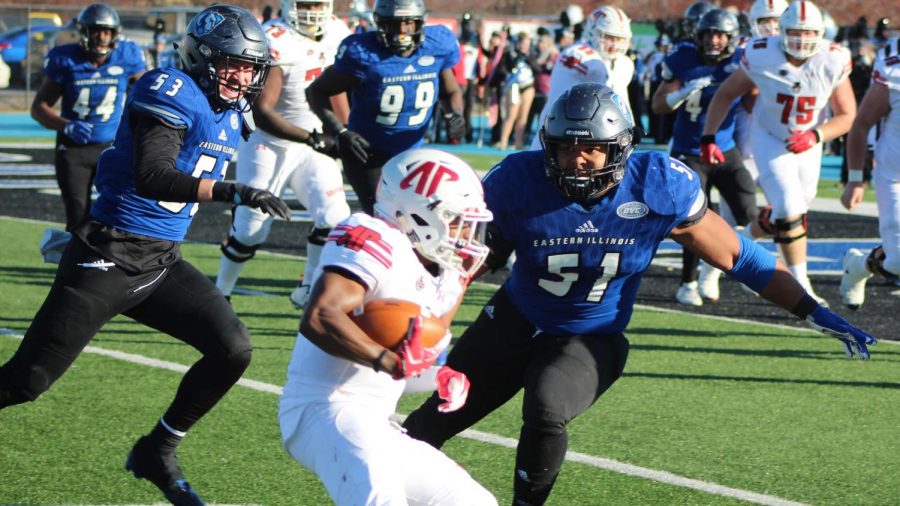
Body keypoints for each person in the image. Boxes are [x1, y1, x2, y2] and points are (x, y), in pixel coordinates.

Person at [401, 83, 876, 506]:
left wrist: (811, 309)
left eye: (592, 149)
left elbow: (741, 258)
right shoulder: (516, 183)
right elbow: (461, 264)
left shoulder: (657, 186)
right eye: (565, 148)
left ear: (621, 149)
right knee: (424, 430)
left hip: (591, 335)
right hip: (514, 319)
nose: (578, 160)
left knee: (546, 407)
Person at [0, 6, 290, 505]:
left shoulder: (230, 110)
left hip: (160, 262)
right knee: (26, 382)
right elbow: (152, 175)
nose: (243, 77)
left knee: (233, 350)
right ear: (202, 57)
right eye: (233, 64)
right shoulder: (169, 89)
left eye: (250, 68)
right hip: (108, 254)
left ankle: (157, 450)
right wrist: (232, 192)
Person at [279, 148, 496, 505]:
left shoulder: (450, 275)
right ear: (416, 213)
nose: (465, 233)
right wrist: (385, 359)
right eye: (455, 219)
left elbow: (408, 363)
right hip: (323, 406)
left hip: (375, 420)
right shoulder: (373, 235)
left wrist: (437, 375)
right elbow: (320, 316)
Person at [701, 0, 856, 304]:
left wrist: (815, 135)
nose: (800, 40)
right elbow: (726, 93)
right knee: (788, 206)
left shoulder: (832, 59)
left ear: (821, 33)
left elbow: (847, 115)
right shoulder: (761, 54)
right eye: (794, 33)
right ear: (780, 32)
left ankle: (743, 246)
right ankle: (800, 286)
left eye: (808, 33)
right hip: (769, 136)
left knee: (792, 211)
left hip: (809, 141)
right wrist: (709, 136)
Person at [214, 0, 352, 309]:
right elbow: (262, 111)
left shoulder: (338, 32)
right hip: (269, 143)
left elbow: (336, 89)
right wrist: (313, 138)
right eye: (306, 4)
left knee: (334, 216)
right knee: (250, 231)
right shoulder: (275, 37)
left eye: (318, 4)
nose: (313, 12)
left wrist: (344, 131)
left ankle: (308, 288)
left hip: (313, 143)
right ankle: (221, 292)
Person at [307, 0, 465, 215]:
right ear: (380, 24)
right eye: (394, 23)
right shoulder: (363, 52)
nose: (402, 31)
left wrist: (455, 113)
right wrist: (340, 132)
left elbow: (451, 91)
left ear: (420, 22)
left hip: (414, 151)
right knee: (385, 221)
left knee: (428, 220)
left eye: (408, 22)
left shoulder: (437, 44)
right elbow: (317, 91)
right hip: (368, 153)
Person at [651, 8, 758, 306]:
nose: (714, 40)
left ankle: (730, 267)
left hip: (725, 150)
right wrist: (680, 94)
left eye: (721, 34)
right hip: (689, 152)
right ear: (698, 36)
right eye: (709, 34)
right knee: (693, 220)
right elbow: (659, 104)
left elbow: (754, 100)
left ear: (732, 37)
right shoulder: (683, 58)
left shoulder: (741, 61)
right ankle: (687, 282)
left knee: (750, 212)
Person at [31, 3, 145, 234]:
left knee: (119, 211)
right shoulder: (66, 59)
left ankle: (111, 266)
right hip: (74, 149)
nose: (102, 37)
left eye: (107, 31)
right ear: (84, 32)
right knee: (78, 215)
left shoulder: (126, 56)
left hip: (111, 147)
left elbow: (146, 94)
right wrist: (67, 126)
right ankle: (75, 268)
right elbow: (39, 108)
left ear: (115, 34)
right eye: (96, 31)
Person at [839, 39, 900, 308]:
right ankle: (859, 265)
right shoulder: (894, 68)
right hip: (895, 175)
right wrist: (855, 179)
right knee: (898, 261)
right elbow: (862, 124)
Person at [529, 5, 634, 149]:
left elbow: (622, 101)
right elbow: (599, 78)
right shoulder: (579, 55)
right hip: (558, 137)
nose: (615, 45)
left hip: (597, 141)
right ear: (592, 32)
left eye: (620, 39)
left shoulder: (624, 63)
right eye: (609, 37)